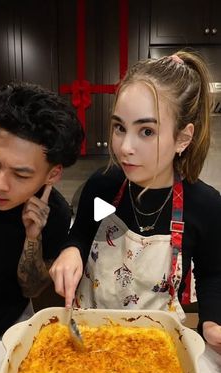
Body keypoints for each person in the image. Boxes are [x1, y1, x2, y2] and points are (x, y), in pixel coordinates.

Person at [50, 51, 221, 352]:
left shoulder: (203, 205)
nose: (124, 147)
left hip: (157, 347)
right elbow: (82, 234)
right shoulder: (104, 188)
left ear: (183, 138)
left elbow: (213, 273)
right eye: (119, 127)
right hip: (89, 338)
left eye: (146, 131)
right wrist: (70, 251)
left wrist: (211, 323)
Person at [0, 82, 84, 339]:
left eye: (20, 174)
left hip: (7, 330)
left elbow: (31, 289)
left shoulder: (56, 213)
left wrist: (33, 237)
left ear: (52, 175)